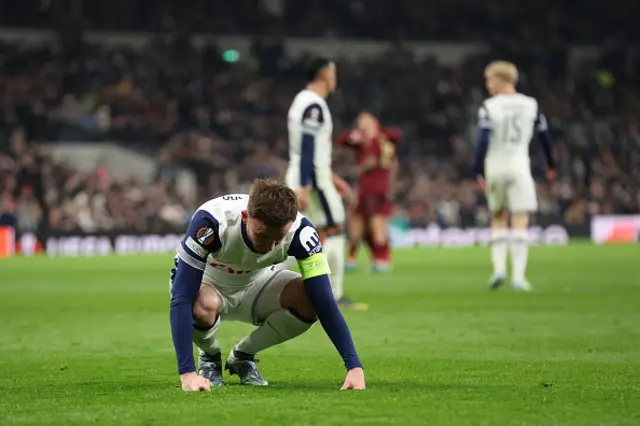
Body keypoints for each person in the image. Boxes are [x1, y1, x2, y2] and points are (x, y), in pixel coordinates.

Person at [169, 179, 365, 391]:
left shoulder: (302, 233)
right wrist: (187, 374)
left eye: (278, 239)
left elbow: (325, 300)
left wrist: (354, 367)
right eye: (262, 235)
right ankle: (209, 355)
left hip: (257, 282)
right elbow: (182, 296)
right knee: (200, 304)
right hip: (209, 283)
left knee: (310, 299)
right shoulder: (212, 222)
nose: (270, 246)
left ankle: (243, 355)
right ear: (245, 217)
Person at [474, 61, 555, 291]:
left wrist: (477, 170)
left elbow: (482, 141)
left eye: (490, 80)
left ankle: (499, 269)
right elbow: (545, 137)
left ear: (501, 80)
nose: (488, 85)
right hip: (519, 165)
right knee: (520, 219)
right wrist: (551, 164)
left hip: (495, 166)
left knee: (498, 216)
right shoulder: (531, 105)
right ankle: (518, 277)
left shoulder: (489, 107)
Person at [285, 57, 359, 308]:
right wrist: (305, 185)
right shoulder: (313, 105)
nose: (335, 78)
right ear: (325, 73)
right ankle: (332, 294)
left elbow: (312, 150)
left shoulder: (301, 101)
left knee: (292, 234)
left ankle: (269, 285)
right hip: (312, 180)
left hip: (312, 176)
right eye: (333, 72)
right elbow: (307, 147)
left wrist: (334, 179)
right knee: (335, 226)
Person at [339, 112, 401, 273]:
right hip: (369, 188)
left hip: (374, 187)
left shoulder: (377, 140)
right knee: (359, 221)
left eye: (364, 122)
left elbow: (373, 161)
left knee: (376, 222)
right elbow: (343, 140)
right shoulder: (374, 139)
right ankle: (358, 258)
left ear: (373, 123)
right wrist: (354, 137)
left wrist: (359, 169)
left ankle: (381, 260)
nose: (360, 125)